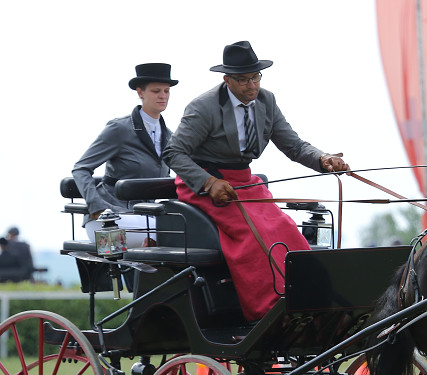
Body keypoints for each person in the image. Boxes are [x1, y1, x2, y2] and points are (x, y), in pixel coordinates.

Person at [162, 41, 349, 321]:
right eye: (242, 80)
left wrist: (323, 159)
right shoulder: (204, 107)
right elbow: (173, 153)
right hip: (203, 185)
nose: (251, 86)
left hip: (244, 182)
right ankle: (270, 310)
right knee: (253, 233)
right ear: (227, 80)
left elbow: (294, 146)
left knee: (285, 226)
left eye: (255, 77)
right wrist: (209, 183)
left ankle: (310, 299)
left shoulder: (266, 101)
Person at [72, 63, 178, 247]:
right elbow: (80, 169)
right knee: (171, 233)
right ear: (140, 92)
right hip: (108, 217)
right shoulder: (119, 129)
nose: (163, 96)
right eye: (156, 91)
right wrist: (97, 207)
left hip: (144, 216)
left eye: (166, 91)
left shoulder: (170, 137)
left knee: (183, 229)